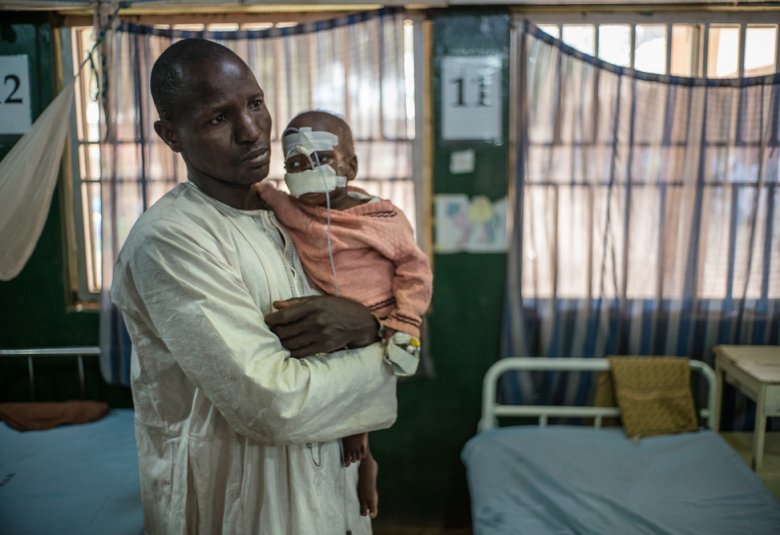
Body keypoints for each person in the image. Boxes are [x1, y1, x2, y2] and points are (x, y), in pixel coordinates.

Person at [110, 38, 418, 534]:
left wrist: (367, 329)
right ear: (171, 134)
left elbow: (356, 320)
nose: (252, 132)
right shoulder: (171, 240)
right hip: (241, 500)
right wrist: (386, 349)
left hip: (333, 476)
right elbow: (272, 404)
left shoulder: (295, 216)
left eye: (255, 104)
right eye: (217, 119)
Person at [255, 111, 433, 519]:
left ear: (350, 166)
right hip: (328, 317)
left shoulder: (379, 218)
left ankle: (364, 449)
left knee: (367, 376)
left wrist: (406, 321)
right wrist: (259, 189)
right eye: (296, 163)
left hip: (382, 314)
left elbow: (413, 268)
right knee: (333, 374)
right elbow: (270, 195)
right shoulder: (296, 211)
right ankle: (364, 454)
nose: (307, 170)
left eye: (322, 158)